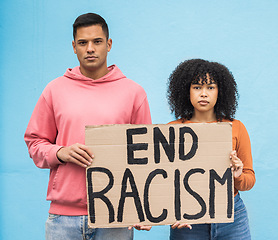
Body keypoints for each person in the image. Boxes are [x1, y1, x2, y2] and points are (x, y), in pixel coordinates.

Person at [24, 13, 152, 240]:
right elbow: (35, 143)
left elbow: (146, 155)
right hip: (63, 219)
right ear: (74, 47)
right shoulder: (54, 90)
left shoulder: (134, 93)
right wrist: (60, 152)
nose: (90, 48)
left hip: (115, 216)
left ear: (109, 44)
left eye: (97, 41)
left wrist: (141, 208)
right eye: (83, 43)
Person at [167, 59, 255, 239]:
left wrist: (237, 176)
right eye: (197, 87)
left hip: (232, 217)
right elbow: (164, 180)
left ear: (220, 92)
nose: (204, 94)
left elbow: (249, 180)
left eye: (211, 87)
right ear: (187, 91)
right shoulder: (171, 130)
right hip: (188, 220)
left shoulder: (236, 127)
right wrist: (172, 212)